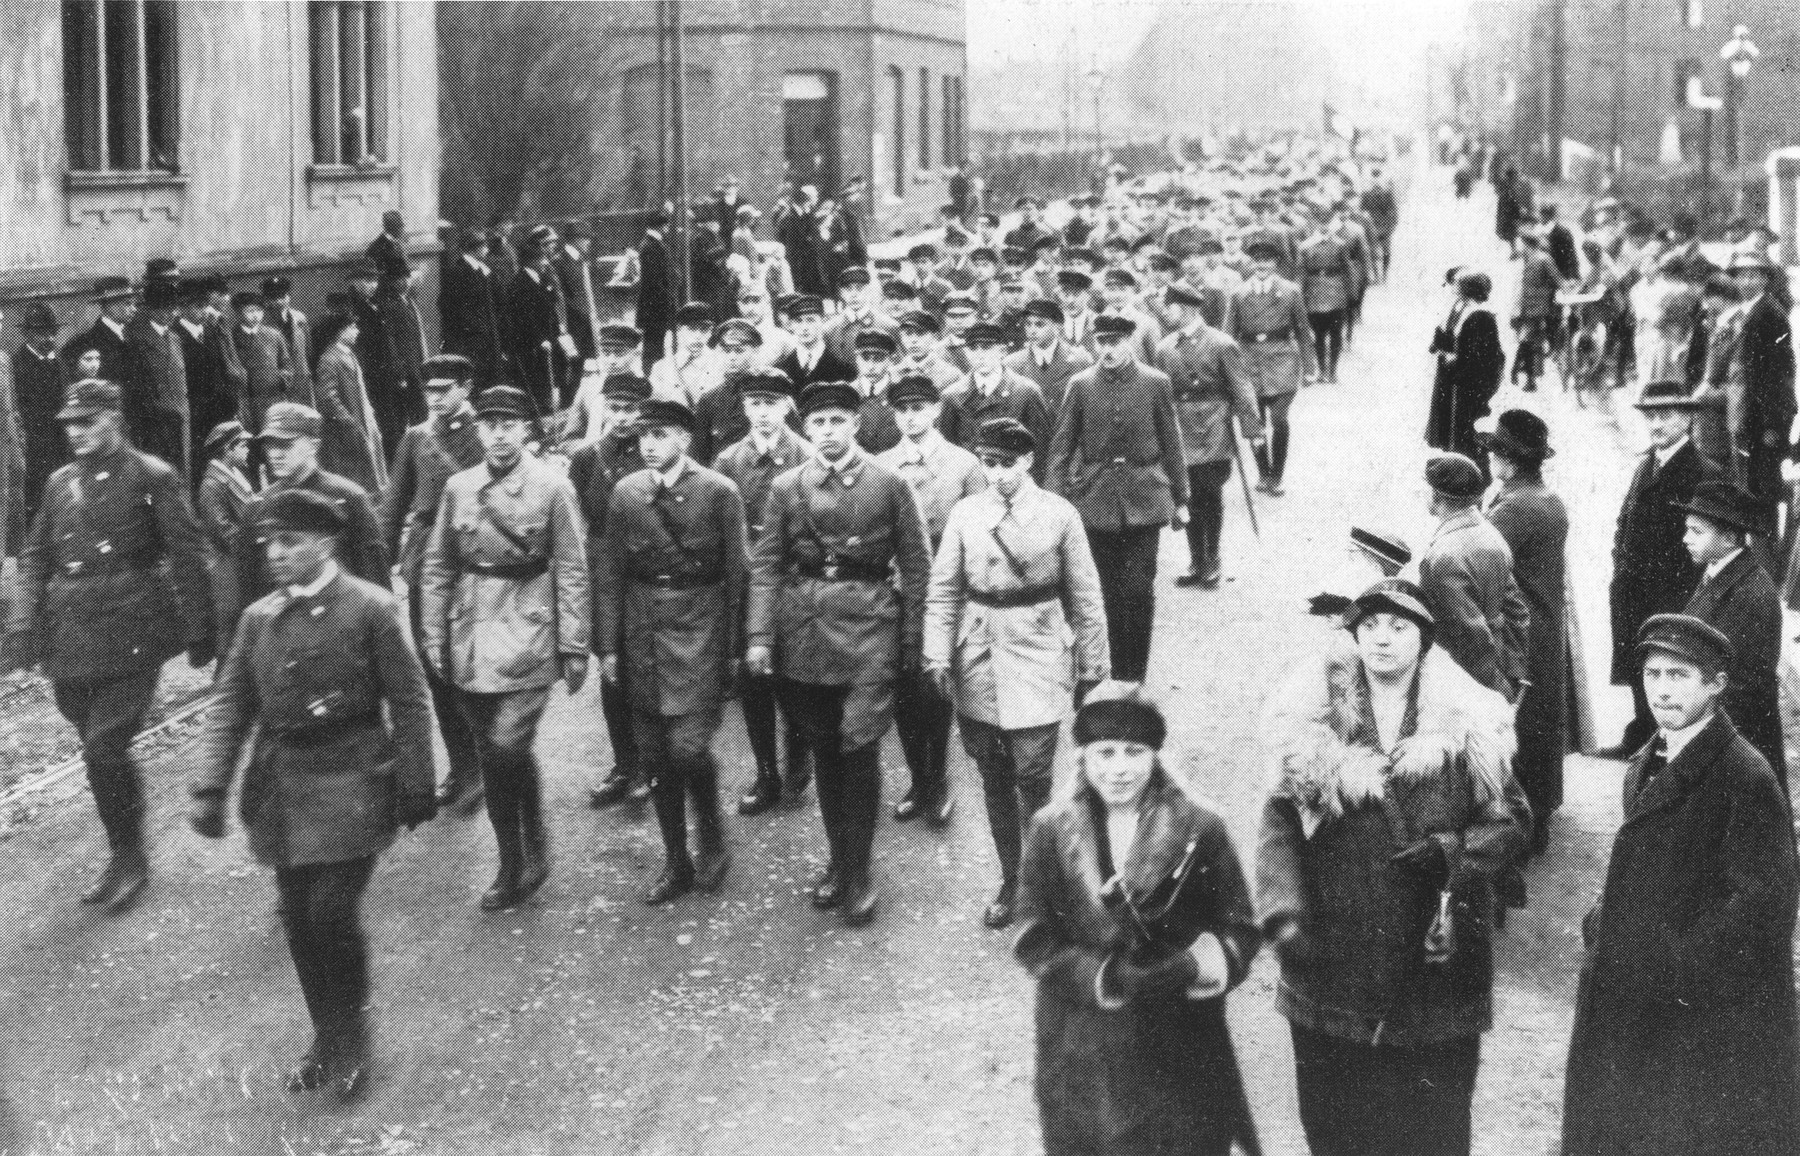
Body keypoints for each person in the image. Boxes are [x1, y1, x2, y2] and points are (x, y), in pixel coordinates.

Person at [1259, 579, 1530, 1156]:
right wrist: (1285, 915)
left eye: (1399, 627)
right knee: (1335, 1124)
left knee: (1429, 1126)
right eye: (1370, 626)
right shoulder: (1311, 722)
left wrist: (1452, 852)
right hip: (1332, 957)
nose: (1382, 639)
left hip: (1434, 963)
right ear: (1354, 636)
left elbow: (1513, 824)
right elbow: (1279, 823)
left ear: (1425, 641)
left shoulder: (1469, 725)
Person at [189, 487, 433, 1102]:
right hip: (281, 784)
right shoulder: (258, 618)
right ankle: (326, 1036)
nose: (275, 553)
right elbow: (230, 704)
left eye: (290, 542)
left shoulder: (371, 608)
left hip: (353, 778)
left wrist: (416, 780)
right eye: (269, 542)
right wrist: (211, 785)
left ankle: (350, 1034)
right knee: (299, 919)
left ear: (325, 543)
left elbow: (408, 699)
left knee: (330, 911)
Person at [1563, 614, 1799, 1156]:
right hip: (1633, 994)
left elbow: (1761, 905)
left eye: (1679, 676)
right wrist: (1604, 921)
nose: (1661, 690)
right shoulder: (1650, 759)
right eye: (1652, 675)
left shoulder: (1744, 775)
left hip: (1690, 1015)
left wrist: (1676, 965)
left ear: (1715, 685)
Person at [1015, 686, 1260, 1156]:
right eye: (1104, 753)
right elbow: (1032, 936)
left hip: (1181, 1036)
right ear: (1083, 757)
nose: (1119, 768)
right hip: (1085, 1039)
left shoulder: (1200, 826)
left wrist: (1194, 966)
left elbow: (1241, 928)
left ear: (1155, 756)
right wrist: (1104, 977)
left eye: (1135, 752)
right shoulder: (1050, 828)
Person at [3, 380, 214, 910]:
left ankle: (129, 857)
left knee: (103, 747)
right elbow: (35, 557)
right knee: (98, 751)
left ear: (114, 420)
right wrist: (24, 624)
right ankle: (124, 848)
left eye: (87, 421)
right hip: (70, 637)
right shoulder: (58, 483)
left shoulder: (152, 477)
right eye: (70, 424)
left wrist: (201, 628)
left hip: (132, 630)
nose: (76, 433)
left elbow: (187, 554)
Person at [745, 380, 932, 927]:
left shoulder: (889, 482)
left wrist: (913, 640)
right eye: (819, 424)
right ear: (806, 428)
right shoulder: (786, 486)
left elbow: (917, 566)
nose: (827, 433)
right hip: (804, 630)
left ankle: (859, 869)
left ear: (856, 426)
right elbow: (766, 565)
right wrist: (759, 636)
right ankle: (840, 857)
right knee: (825, 747)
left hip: (870, 626)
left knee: (859, 745)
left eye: (838, 422)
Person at [926, 418, 1107, 926]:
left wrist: (1094, 667)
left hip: (1039, 646)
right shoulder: (966, 514)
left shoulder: (1058, 515)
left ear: (1028, 461)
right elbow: (943, 590)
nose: (999, 474)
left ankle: (1048, 879)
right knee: (992, 772)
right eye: (989, 463)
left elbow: (1086, 594)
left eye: (1008, 463)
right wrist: (937, 654)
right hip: (978, 649)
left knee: (1033, 772)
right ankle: (1012, 876)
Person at [420, 385, 590, 911]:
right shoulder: (459, 487)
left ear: (527, 431)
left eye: (507, 424)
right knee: (494, 747)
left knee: (506, 748)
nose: (496, 433)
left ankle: (517, 855)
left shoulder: (552, 487)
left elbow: (572, 568)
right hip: (470, 631)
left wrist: (575, 644)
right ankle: (524, 839)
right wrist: (432, 633)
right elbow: (438, 565)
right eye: (488, 423)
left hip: (528, 627)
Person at [595, 397, 749, 903]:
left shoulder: (718, 491)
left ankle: (710, 832)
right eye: (644, 436)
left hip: (700, 622)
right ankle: (675, 860)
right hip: (642, 627)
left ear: (685, 438)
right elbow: (613, 572)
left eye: (661, 435)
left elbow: (737, 574)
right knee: (655, 752)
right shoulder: (626, 493)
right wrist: (609, 646)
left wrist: (735, 648)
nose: (649, 445)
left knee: (689, 747)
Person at [1047, 313, 1187, 684]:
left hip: (1145, 499)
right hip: (1095, 502)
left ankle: (1133, 676)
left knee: (1139, 591)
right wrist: (1051, 501)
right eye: (1102, 342)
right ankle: (1106, 672)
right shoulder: (1080, 385)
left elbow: (1171, 442)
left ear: (1129, 342)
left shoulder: (1156, 383)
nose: (1108, 350)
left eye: (1116, 342)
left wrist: (1182, 497)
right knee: (1103, 592)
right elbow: (1062, 447)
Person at [876, 374, 985, 828]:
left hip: (945, 594)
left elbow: (981, 532)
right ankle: (918, 780)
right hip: (895, 591)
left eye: (919, 408)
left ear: (937, 410)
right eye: (902, 409)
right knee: (901, 687)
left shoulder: (964, 466)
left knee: (935, 685)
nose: (910, 417)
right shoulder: (879, 465)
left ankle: (938, 780)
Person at [381, 355, 488, 815]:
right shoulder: (416, 439)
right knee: (434, 664)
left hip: (476, 559)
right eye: (430, 391)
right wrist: (380, 568)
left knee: (477, 661)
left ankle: (487, 764)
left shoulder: (490, 433)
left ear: (466, 387)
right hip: (425, 558)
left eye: (446, 389)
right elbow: (394, 505)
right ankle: (463, 767)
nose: (438, 399)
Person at [712, 371, 813, 815]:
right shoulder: (728, 461)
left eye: (771, 403)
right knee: (754, 686)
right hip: (746, 585)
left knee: (792, 679)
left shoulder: (807, 457)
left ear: (788, 406)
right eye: (754, 404)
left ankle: (798, 759)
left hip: (792, 582)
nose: (763, 413)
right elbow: (717, 526)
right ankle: (766, 772)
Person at [1599, 382, 1712, 757]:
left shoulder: (1701, 472)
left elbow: (1706, 542)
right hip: (1633, 588)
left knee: (1667, 668)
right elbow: (1623, 520)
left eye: (1666, 416)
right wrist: (1620, 564)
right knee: (1638, 664)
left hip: (1670, 592)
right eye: (1651, 416)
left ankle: (1661, 746)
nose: (1657, 424)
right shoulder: (1646, 465)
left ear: (1687, 418)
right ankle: (1641, 736)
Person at [1480, 410, 1569, 852]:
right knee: (1540, 720)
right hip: (1544, 623)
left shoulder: (1516, 507)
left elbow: (1481, 557)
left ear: (1510, 462)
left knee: (1522, 720)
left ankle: (1526, 823)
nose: (1491, 458)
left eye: (1496, 451)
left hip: (1522, 629)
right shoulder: (1542, 498)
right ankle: (1541, 810)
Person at [1674, 481, 1786, 793]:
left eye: (1696, 532)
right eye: (1687, 529)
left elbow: (1739, 687)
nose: (1686, 539)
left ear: (1728, 538)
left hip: (1736, 743)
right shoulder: (1720, 574)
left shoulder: (1750, 594)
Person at [235, 403, 389, 616]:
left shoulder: (349, 498)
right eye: (269, 445)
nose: (275, 454)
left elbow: (375, 577)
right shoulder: (258, 508)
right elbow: (247, 590)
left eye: (285, 444)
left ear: (313, 445)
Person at [1156, 283, 1262, 589]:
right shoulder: (1165, 348)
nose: (1167, 311)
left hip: (1214, 428)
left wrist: (1252, 429)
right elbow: (1161, 395)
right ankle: (1196, 560)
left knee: (1210, 494)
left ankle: (1213, 557)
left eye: (1170, 306)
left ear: (1187, 308)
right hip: (1179, 431)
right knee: (1185, 496)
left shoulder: (1221, 343)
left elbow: (1241, 387)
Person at [1417, 453, 1530, 700]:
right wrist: (1516, 672)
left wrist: (1500, 692)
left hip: (1464, 678)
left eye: (1425, 486)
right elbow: (1517, 612)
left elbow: (1470, 639)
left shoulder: (1444, 556)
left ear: (1438, 495)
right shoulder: (1491, 534)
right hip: (1498, 659)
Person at [1227, 240, 1313, 496]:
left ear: (1275, 263)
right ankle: (1263, 472)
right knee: (1255, 421)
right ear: (1252, 264)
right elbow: (1228, 337)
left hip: (1282, 360)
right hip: (1249, 361)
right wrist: (1225, 372)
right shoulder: (1239, 294)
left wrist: (1309, 367)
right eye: (1257, 261)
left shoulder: (1290, 292)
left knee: (1279, 419)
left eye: (1267, 260)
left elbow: (1302, 331)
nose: (1262, 265)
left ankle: (1277, 475)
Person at [1729, 249, 1796, 528]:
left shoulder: (1769, 314)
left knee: (1762, 498)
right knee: (1753, 491)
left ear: (1765, 279)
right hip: (1751, 417)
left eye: (1753, 275)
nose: (1746, 282)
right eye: (1741, 276)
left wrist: (1771, 424)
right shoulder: (1750, 311)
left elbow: (1778, 375)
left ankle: (1767, 564)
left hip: (1764, 421)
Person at [939, 322, 1054, 476]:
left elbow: (1042, 449)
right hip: (972, 484)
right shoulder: (952, 396)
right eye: (973, 348)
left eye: (986, 347)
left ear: (1002, 352)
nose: (979, 355)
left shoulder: (1025, 391)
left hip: (1013, 479)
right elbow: (948, 452)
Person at [1425, 271, 1505, 466]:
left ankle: (1470, 470)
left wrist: (1455, 360)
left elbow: (1479, 356)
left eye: (1457, 285)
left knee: (1466, 430)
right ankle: (1455, 462)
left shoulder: (1480, 316)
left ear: (1466, 289)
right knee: (1453, 429)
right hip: (1456, 378)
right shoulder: (1463, 309)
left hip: (1468, 382)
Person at [310, 300, 387, 492]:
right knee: (350, 471)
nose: (357, 331)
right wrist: (348, 421)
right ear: (340, 331)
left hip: (360, 419)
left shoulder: (348, 354)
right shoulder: (329, 359)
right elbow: (327, 398)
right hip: (344, 428)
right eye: (352, 327)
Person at [195, 420, 254, 663]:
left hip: (238, 562)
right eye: (243, 445)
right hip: (226, 569)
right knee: (230, 634)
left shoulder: (233, 475)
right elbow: (222, 530)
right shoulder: (212, 485)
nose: (247, 450)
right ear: (228, 449)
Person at [122, 277, 191, 478]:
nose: (174, 314)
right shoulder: (136, 339)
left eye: (175, 308)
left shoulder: (175, 338)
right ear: (152, 310)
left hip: (180, 418)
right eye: (168, 309)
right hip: (157, 424)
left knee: (182, 474)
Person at [509, 225, 574, 417]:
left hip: (549, 336)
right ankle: (536, 412)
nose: (545, 262)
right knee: (535, 378)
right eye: (541, 260)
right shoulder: (519, 283)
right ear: (530, 262)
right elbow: (525, 317)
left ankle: (547, 409)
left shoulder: (543, 277)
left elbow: (552, 305)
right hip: (530, 342)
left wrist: (559, 327)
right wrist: (539, 339)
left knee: (551, 375)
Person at [14, 302, 68, 524]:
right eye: (41, 333)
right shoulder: (18, 365)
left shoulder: (59, 362)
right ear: (27, 334)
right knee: (37, 507)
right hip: (35, 450)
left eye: (52, 332)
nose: (49, 338)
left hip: (60, 445)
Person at [1004, 298, 1093, 418]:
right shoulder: (1012, 364)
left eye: (1040, 324)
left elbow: (1088, 408)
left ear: (1057, 326)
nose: (1032, 330)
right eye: (1028, 324)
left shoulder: (1080, 360)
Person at [439, 225, 506, 383]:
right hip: (468, 341)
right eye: (483, 245)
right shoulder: (458, 271)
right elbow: (446, 305)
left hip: (487, 339)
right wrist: (471, 325)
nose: (486, 248)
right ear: (473, 248)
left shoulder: (484, 270)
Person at [770, 295, 856, 390]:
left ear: (823, 321)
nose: (804, 327)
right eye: (798, 321)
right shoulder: (779, 372)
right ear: (791, 324)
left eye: (810, 320)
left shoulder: (844, 371)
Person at [1511, 228, 1561, 392]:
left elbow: (1557, 280)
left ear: (1527, 244)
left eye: (1521, 244)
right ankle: (1527, 377)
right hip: (1523, 308)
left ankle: (1522, 374)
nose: (1518, 248)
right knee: (1530, 343)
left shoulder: (1544, 259)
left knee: (1527, 341)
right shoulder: (1526, 259)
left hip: (1538, 308)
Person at [67, 277, 133, 385]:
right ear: (110, 306)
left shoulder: (132, 336)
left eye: (133, 304)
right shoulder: (87, 341)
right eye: (127, 304)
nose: (134, 309)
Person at [262, 276, 313, 413]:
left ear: (288, 297)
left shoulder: (300, 318)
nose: (279, 301)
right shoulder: (262, 324)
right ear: (266, 300)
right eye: (273, 298)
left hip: (302, 380)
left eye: (282, 296)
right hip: (279, 384)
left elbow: (308, 349)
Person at [638, 208, 677, 372]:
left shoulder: (653, 244)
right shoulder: (651, 246)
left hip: (655, 304)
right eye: (666, 224)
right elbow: (654, 281)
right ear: (662, 226)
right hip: (655, 306)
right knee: (654, 347)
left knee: (656, 344)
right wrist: (668, 300)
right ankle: (650, 377)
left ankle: (653, 375)